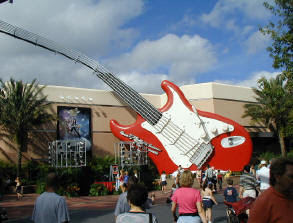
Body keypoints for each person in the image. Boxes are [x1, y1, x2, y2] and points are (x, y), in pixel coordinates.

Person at [248, 158, 293, 223]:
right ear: (278, 177)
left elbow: (257, 178)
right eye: (291, 176)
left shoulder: (259, 171)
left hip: (262, 187)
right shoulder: (263, 203)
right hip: (268, 187)